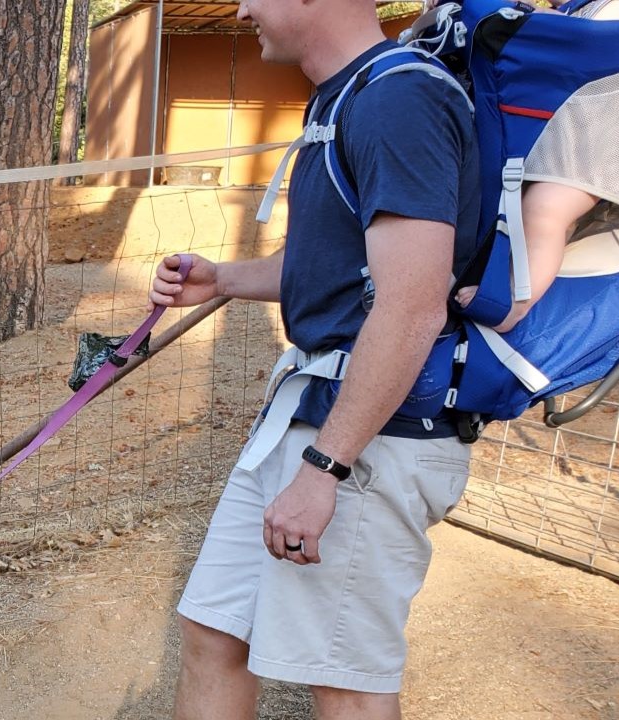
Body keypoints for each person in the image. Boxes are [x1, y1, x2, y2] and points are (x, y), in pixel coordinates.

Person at [149, 0, 483, 717]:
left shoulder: (399, 98)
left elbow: (413, 303)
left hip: (366, 438)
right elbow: (345, 271)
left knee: (344, 682)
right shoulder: (342, 96)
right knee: (213, 630)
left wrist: (327, 467)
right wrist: (226, 278)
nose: (241, 10)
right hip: (308, 410)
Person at [452, 0, 619, 332]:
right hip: (568, 139)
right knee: (522, 209)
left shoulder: (618, 8)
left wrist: (531, 17)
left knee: (544, 210)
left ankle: (516, 302)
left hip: (605, 148)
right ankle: (507, 267)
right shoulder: (572, 10)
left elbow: (587, 43)